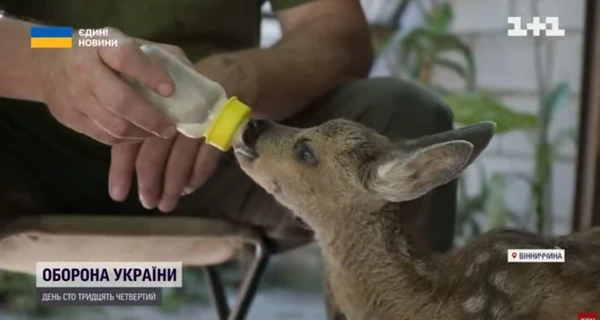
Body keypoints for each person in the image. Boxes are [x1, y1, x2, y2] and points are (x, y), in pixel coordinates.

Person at [0, 0, 456, 317]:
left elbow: (335, 28)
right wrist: (53, 56)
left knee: (403, 119)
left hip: (224, 153)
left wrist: (243, 77)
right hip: (29, 148)